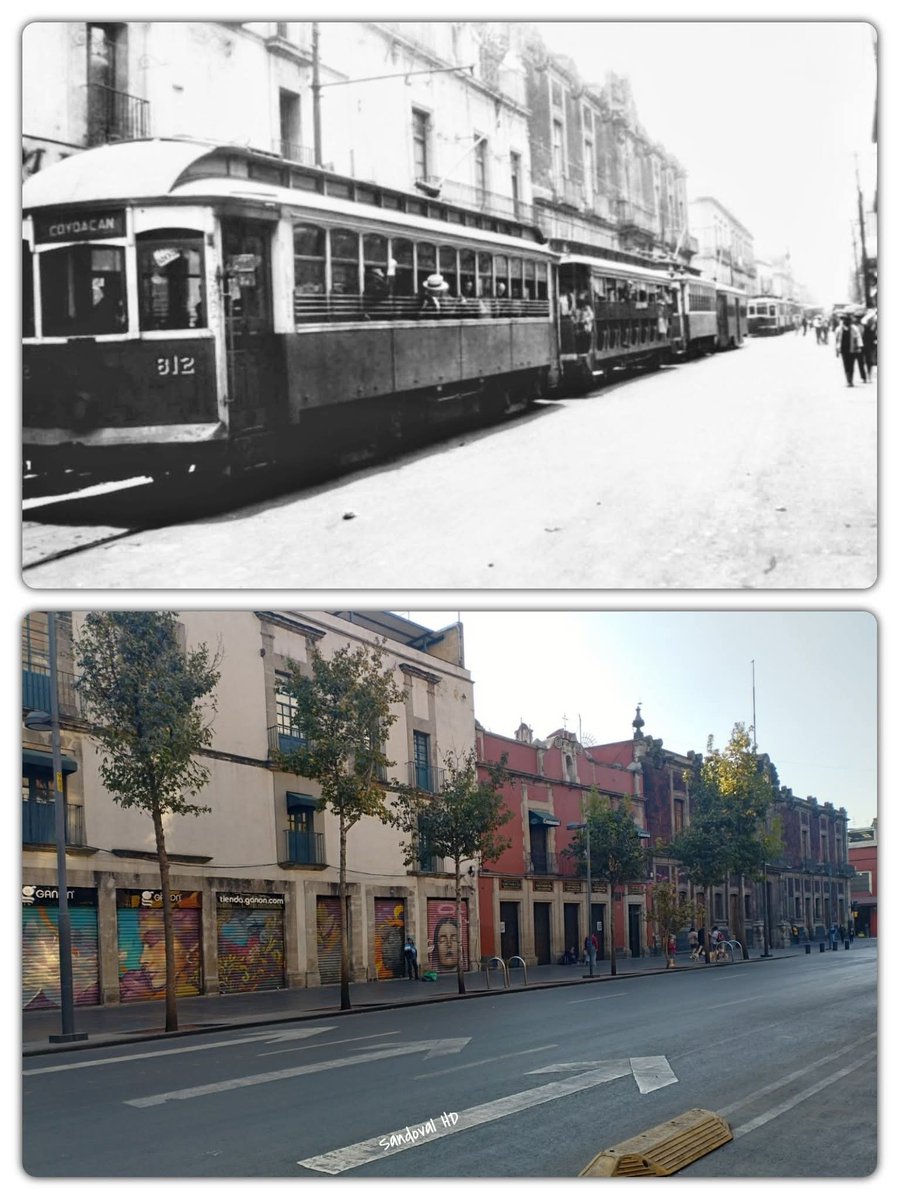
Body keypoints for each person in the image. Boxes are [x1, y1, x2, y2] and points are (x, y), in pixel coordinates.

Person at [835, 311, 866, 385]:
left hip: (852, 349)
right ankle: (848, 380)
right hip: (843, 350)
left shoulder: (854, 329)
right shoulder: (839, 329)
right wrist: (837, 351)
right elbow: (836, 341)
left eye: (847, 320)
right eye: (844, 320)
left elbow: (858, 338)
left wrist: (859, 347)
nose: (846, 321)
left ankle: (851, 380)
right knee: (846, 365)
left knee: (851, 365)